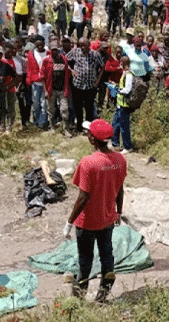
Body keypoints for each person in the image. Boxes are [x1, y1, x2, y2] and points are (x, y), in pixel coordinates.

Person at [64, 118, 126, 303]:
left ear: (92, 138)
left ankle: (79, 299)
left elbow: (83, 197)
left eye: (88, 132)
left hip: (87, 222)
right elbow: (120, 188)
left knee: (85, 260)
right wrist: (119, 212)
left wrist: (69, 222)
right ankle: (103, 295)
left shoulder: (88, 163)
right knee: (107, 255)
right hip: (107, 219)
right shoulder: (119, 159)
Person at [66, 37, 104, 133]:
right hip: (78, 85)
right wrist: (71, 70)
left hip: (90, 86)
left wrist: (98, 80)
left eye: (84, 45)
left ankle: (88, 128)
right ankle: (79, 127)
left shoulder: (95, 54)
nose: (83, 47)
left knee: (89, 108)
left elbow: (102, 67)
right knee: (78, 108)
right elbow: (64, 59)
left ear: (89, 45)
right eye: (81, 45)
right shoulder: (75, 52)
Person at [44, 41, 71, 132]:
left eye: (56, 50)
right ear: (50, 50)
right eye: (53, 50)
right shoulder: (46, 60)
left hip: (62, 89)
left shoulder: (63, 59)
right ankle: (51, 126)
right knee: (51, 110)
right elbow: (43, 77)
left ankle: (65, 129)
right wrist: (46, 91)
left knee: (64, 109)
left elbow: (67, 73)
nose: (54, 52)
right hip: (51, 89)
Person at [111, 56, 134, 154]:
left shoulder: (129, 75)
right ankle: (115, 143)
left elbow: (127, 90)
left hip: (124, 105)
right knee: (115, 124)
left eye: (121, 63)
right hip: (119, 104)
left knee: (124, 127)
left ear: (124, 63)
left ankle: (127, 147)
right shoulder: (124, 74)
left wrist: (118, 90)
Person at [26, 35, 49, 130]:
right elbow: (29, 68)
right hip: (35, 83)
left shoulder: (48, 53)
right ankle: (36, 120)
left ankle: (42, 123)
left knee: (44, 104)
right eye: (37, 44)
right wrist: (28, 80)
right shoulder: (31, 54)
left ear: (44, 43)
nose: (40, 46)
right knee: (36, 104)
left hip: (45, 83)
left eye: (41, 44)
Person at [1, 42, 21, 134]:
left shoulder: (15, 62)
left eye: (11, 51)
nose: (9, 53)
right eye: (7, 51)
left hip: (11, 89)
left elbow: (18, 77)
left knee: (11, 108)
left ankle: (10, 126)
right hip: (0, 89)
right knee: (1, 108)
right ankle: (2, 126)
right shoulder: (0, 60)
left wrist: (11, 86)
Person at [13, 36, 32, 129]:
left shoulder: (21, 58)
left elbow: (24, 73)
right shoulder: (9, 58)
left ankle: (25, 120)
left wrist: (21, 85)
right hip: (12, 84)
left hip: (22, 84)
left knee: (26, 103)